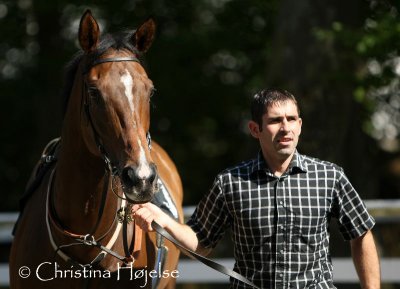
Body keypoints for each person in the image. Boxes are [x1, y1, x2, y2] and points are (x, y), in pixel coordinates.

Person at [133, 89, 380, 289]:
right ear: (255, 129)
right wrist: (163, 219)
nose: (286, 128)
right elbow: (200, 244)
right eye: (275, 120)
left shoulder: (330, 176)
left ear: (300, 125)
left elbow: (361, 233)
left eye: (291, 119)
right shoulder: (230, 182)